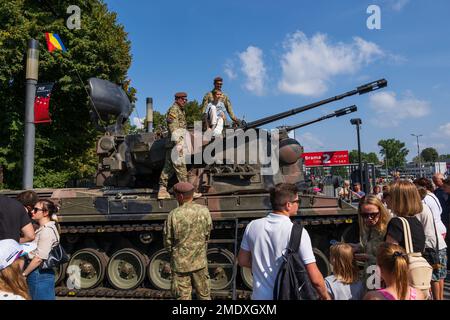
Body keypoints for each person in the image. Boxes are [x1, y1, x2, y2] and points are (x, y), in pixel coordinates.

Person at [237, 183, 330, 300]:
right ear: (288, 205)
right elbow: (315, 278)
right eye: (298, 201)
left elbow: (242, 260)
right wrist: (326, 296)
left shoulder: (252, 226)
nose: (299, 205)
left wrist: (262, 265)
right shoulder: (298, 232)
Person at [163, 182, 212, 300]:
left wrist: (175, 255)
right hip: (200, 263)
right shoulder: (204, 211)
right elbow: (207, 234)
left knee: (182, 298)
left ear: (180, 197)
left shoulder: (173, 215)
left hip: (180, 266)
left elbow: (168, 242)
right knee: (204, 297)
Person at [157, 92, 201, 200]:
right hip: (175, 144)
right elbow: (173, 127)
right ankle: (188, 191)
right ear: (178, 99)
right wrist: (178, 143)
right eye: (183, 99)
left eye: (186, 99)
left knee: (168, 168)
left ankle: (162, 190)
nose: (185, 101)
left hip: (175, 144)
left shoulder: (181, 110)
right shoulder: (174, 110)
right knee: (181, 167)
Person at [22, 199, 61, 300]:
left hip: (38, 273)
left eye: (35, 209)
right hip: (40, 273)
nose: (32, 211)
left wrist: (24, 274)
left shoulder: (46, 231)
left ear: (46, 213)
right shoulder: (44, 228)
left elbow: (39, 258)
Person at [350, 195, 390, 290]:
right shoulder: (367, 228)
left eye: (373, 214)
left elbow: (391, 260)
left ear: (381, 211)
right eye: (365, 215)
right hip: (370, 276)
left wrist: (368, 257)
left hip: (383, 279)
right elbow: (369, 246)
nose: (369, 218)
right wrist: (358, 247)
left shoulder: (389, 229)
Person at [415, 186, 447, 300]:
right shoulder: (430, 198)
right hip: (438, 241)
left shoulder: (419, 208)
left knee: (433, 277)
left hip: (431, 245)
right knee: (438, 275)